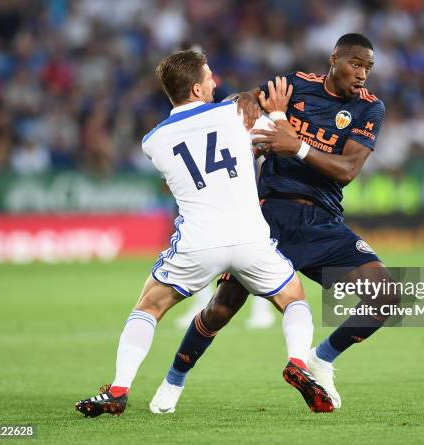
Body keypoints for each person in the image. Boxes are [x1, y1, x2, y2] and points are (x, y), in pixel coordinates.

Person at [74, 50, 334, 417]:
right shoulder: (237, 116)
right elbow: (282, 139)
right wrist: (273, 112)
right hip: (250, 238)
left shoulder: (153, 141)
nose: (216, 83)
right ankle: (297, 362)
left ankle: (118, 389)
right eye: (210, 77)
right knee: (294, 300)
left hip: (199, 242)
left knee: (149, 306)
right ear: (197, 88)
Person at [155, 33, 398, 412]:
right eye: (355, 64)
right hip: (268, 218)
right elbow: (238, 101)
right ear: (334, 59)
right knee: (221, 309)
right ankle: (173, 381)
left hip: (322, 223)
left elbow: (348, 170)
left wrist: (296, 145)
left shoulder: (370, 108)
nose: (361, 74)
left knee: (385, 296)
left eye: (368, 67)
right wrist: (250, 99)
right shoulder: (297, 85)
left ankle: (322, 359)